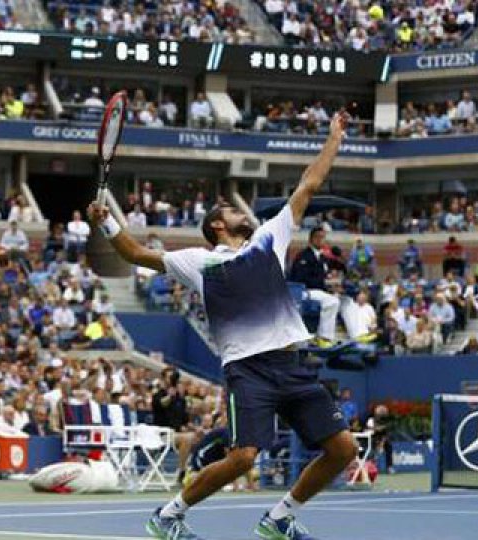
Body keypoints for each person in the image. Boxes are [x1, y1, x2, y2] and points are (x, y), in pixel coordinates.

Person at [88, 113, 356, 540]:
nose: (241, 212)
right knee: (243, 457)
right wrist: (105, 221)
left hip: (293, 364)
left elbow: (309, 184)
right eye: (232, 210)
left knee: (343, 448)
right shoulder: (200, 261)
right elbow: (135, 253)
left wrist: (333, 140)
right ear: (217, 225)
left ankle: (280, 517)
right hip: (248, 370)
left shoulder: (270, 237)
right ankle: (168, 515)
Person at [289, 227, 341, 346]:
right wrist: (324, 283)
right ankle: (324, 337)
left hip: (321, 291)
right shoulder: (303, 256)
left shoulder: (323, 258)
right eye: (318, 237)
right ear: (312, 239)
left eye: (323, 238)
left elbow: (325, 276)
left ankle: (358, 333)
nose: (321, 240)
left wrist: (332, 286)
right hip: (305, 291)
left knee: (346, 301)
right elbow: (300, 278)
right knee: (332, 302)